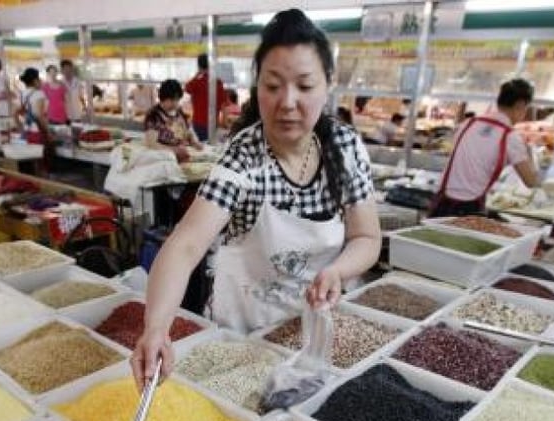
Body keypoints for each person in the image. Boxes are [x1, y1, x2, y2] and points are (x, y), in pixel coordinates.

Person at [130, 10, 380, 386]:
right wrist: (156, 328)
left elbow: (366, 237)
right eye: (273, 85)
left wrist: (338, 271)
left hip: (314, 334)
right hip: (244, 338)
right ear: (256, 87)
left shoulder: (345, 147)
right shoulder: (244, 156)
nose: (287, 101)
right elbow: (185, 245)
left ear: (328, 85)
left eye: (305, 86)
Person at [429, 78, 541, 218]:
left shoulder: (468, 123)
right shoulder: (510, 137)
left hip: (441, 203)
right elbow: (531, 182)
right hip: (469, 208)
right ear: (520, 104)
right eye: (526, 108)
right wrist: (531, 153)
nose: (524, 113)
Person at [143, 79, 202, 162]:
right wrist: (174, 150)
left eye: (177, 100)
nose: (175, 103)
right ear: (163, 98)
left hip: (183, 156)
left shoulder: (179, 111)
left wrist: (195, 141)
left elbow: (188, 130)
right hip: (163, 160)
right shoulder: (153, 115)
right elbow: (152, 144)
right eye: (172, 100)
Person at [185, 53, 225, 142]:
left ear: (199, 66)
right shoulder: (218, 82)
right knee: (212, 148)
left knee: (199, 150)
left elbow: (186, 88)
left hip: (199, 123)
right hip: (214, 123)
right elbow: (223, 103)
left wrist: (197, 75)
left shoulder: (196, 83)